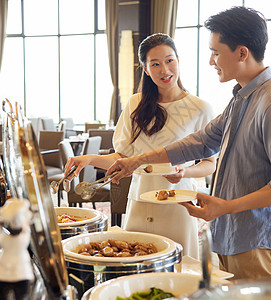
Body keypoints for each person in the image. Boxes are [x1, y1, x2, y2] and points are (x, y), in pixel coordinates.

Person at [105, 7, 271, 280]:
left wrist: (224, 206)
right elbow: (200, 142)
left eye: (216, 52)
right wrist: (138, 160)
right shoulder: (242, 97)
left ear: (241, 53)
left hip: (256, 241)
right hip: (230, 235)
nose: (212, 61)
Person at [65, 33, 216, 258]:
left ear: (178, 61)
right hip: (140, 198)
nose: (164, 70)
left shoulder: (200, 108)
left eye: (169, 60)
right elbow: (123, 156)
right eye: (155, 64)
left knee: (177, 265)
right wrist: (89, 159)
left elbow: (209, 164)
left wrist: (186, 171)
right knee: (134, 259)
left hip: (177, 201)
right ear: (145, 69)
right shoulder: (136, 104)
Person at [0, 198, 34, 300]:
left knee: (1, 294)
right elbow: (26, 229)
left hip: (4, 270)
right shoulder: (23, 239)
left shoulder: (5, 240)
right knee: (21, 294)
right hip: (21, 271)